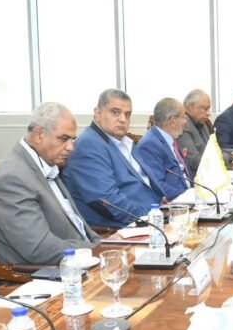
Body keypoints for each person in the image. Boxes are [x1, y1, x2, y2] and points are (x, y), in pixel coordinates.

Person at [0, 102, 100, 265]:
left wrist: (106, 246)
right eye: (64, 139)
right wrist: (95, 251)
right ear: (39, 134)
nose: (71, 147)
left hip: (78, 261)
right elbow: (39, 249)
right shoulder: (10, 177)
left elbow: (79, 229)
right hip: (45, 273)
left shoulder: (45, 165)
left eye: (73, 139)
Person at [63, 89, 167, 228]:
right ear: (98, 113)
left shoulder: (125, 142)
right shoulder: (89, 145)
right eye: (115, 112)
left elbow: (145, 183)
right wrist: (150, 217)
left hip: (154, 217)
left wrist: (166, 209)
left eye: (127, 114)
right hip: (120, 229)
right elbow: (108, 202)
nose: (123, 119)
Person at [135, 98, 191, 202]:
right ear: (173, 121)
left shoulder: (170, 138)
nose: (185, 121)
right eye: (184, 117)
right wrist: (188, 197)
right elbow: (157, 185)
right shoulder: (150, 144)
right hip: (175, 203)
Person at [177, 89, 212, 175]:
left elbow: (212, 151)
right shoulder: (183, 126)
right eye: (205, 109)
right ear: (191, 107)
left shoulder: (202, 123)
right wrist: (225, 157)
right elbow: (194, 162)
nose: (209, 113)